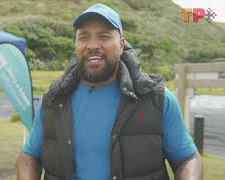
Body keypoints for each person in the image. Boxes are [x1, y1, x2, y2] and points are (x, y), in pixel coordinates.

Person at [17, 3, 203, 180]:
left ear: (122, 44)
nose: (92, 45)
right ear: (76, 45)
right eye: (83, 37)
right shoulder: (53, 100)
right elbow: (29, 157)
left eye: (104, 36)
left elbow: (188, 159)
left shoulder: (157, 99)